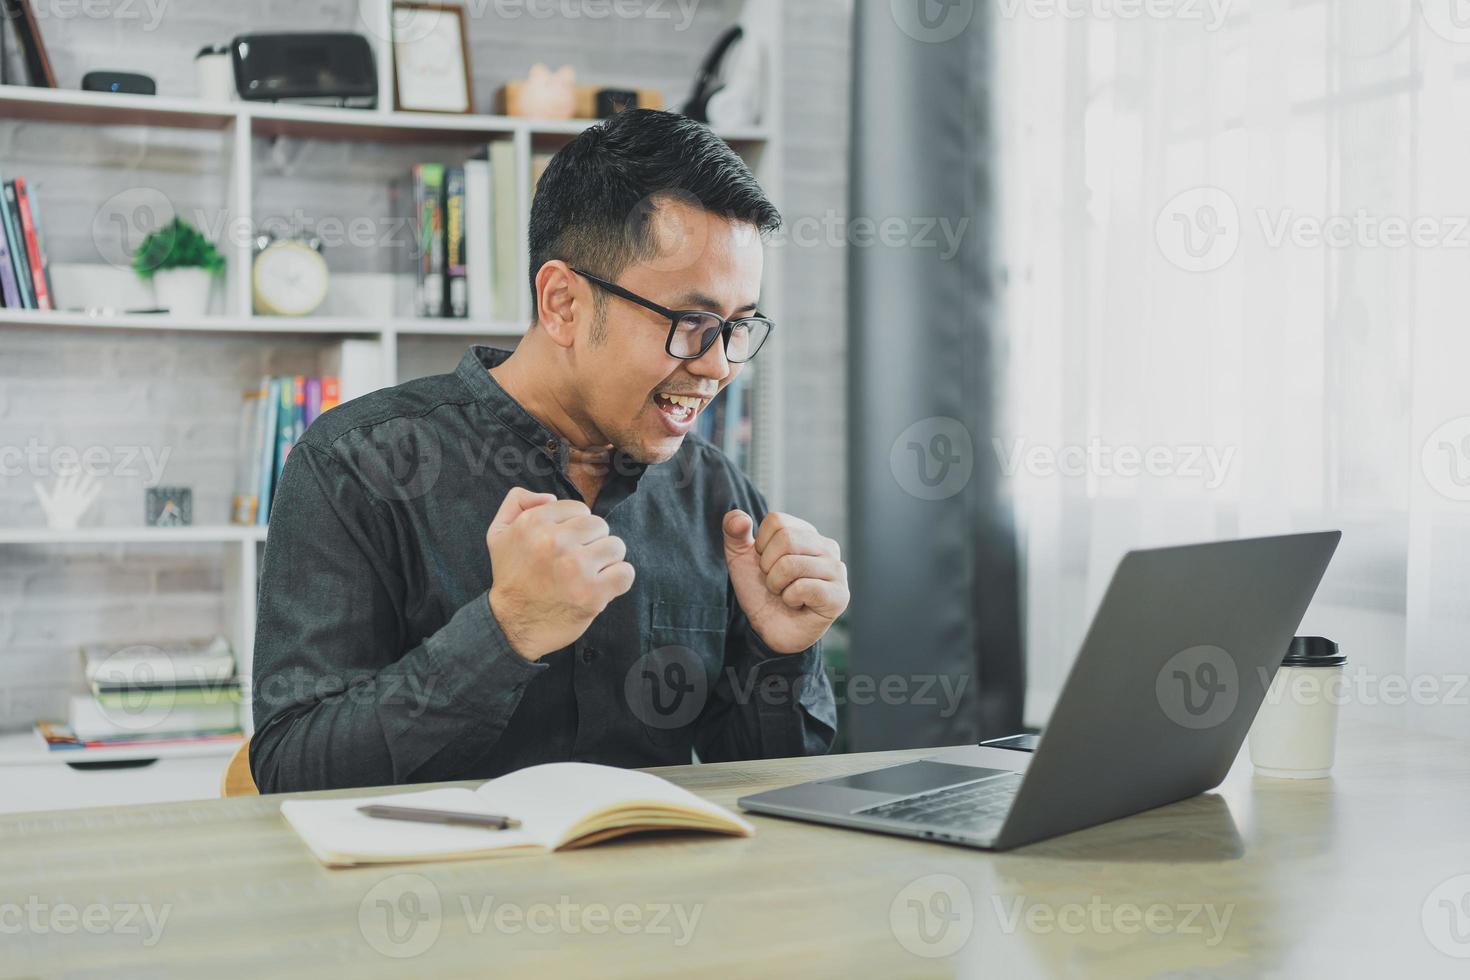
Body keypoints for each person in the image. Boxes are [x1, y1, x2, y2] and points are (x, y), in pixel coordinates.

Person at [250, 109, 845, 792]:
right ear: (562, 302)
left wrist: (781, 653)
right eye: (692, 323)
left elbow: (770, 788)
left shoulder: (717, 498)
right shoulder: (356, 465)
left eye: (739, 327)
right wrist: (505, 632)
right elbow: (291, 773)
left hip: (661, 894)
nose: (718, 367)